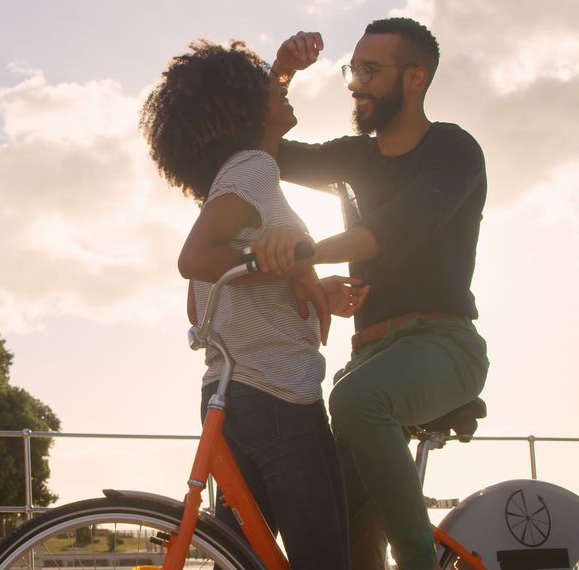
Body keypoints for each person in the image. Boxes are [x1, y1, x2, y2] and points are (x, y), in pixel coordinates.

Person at [253, 17, 491, 570]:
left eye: (370, 69)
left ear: (415, 78)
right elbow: (267, 157)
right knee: (333, 511)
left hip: (444, 347)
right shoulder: (357, 157)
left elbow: (388, 233)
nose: (356, 82)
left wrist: (298, 253)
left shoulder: (453, 150)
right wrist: (281, 73)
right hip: (369, 357)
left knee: (358, 401)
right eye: (352, 69)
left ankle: (417, 562)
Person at [139, 39, 365, 570]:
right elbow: (194, 258)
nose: (279, 92)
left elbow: (201, 309)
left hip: (230, 397)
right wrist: (286, 267)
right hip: (279, 399)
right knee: (326, 559)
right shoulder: (252, 171)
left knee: (238, 559)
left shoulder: (239, 177)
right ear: (242, 108)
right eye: (264, 88)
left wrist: (298, 282)